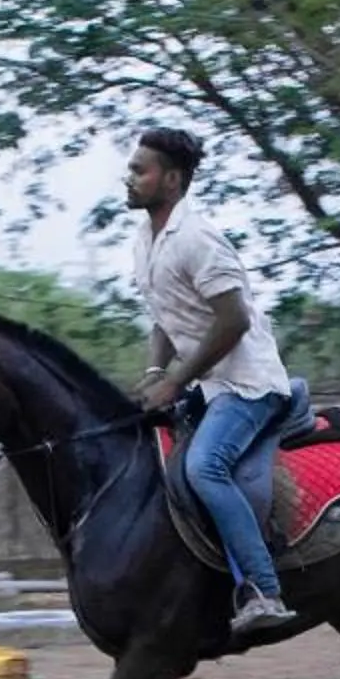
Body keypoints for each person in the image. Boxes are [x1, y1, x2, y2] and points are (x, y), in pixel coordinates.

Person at [125, 126, 297, 636]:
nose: (129, 178)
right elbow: (165, 315)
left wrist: (175, 381)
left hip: (249, 386)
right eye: (131, 168)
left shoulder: (198, 239)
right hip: (205, 385)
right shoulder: (144, 241)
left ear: (172, 180)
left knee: (206, 468)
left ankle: (263, 590)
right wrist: (156, 372)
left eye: (140, 170)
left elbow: (234, 321)